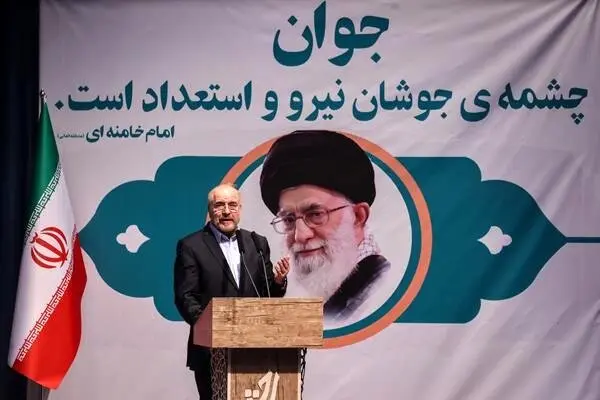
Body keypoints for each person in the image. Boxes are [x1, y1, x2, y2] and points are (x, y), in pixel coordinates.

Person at [259, 129, 390, 323]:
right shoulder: (328, 299)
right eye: (289, 220)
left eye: (316, 215)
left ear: (357, 216)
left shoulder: (376, 289)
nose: (300, 235)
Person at [173, 183, 289, 400]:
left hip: (255, 349)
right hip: (212, 352)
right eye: (220, 205)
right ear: (210, 210)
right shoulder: (191, 246)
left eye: (232, 205)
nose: (227, 211)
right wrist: (214, 330)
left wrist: (278, 281)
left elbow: (267, 295)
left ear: (240, 209)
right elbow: (185, 297)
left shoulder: (256, 243)